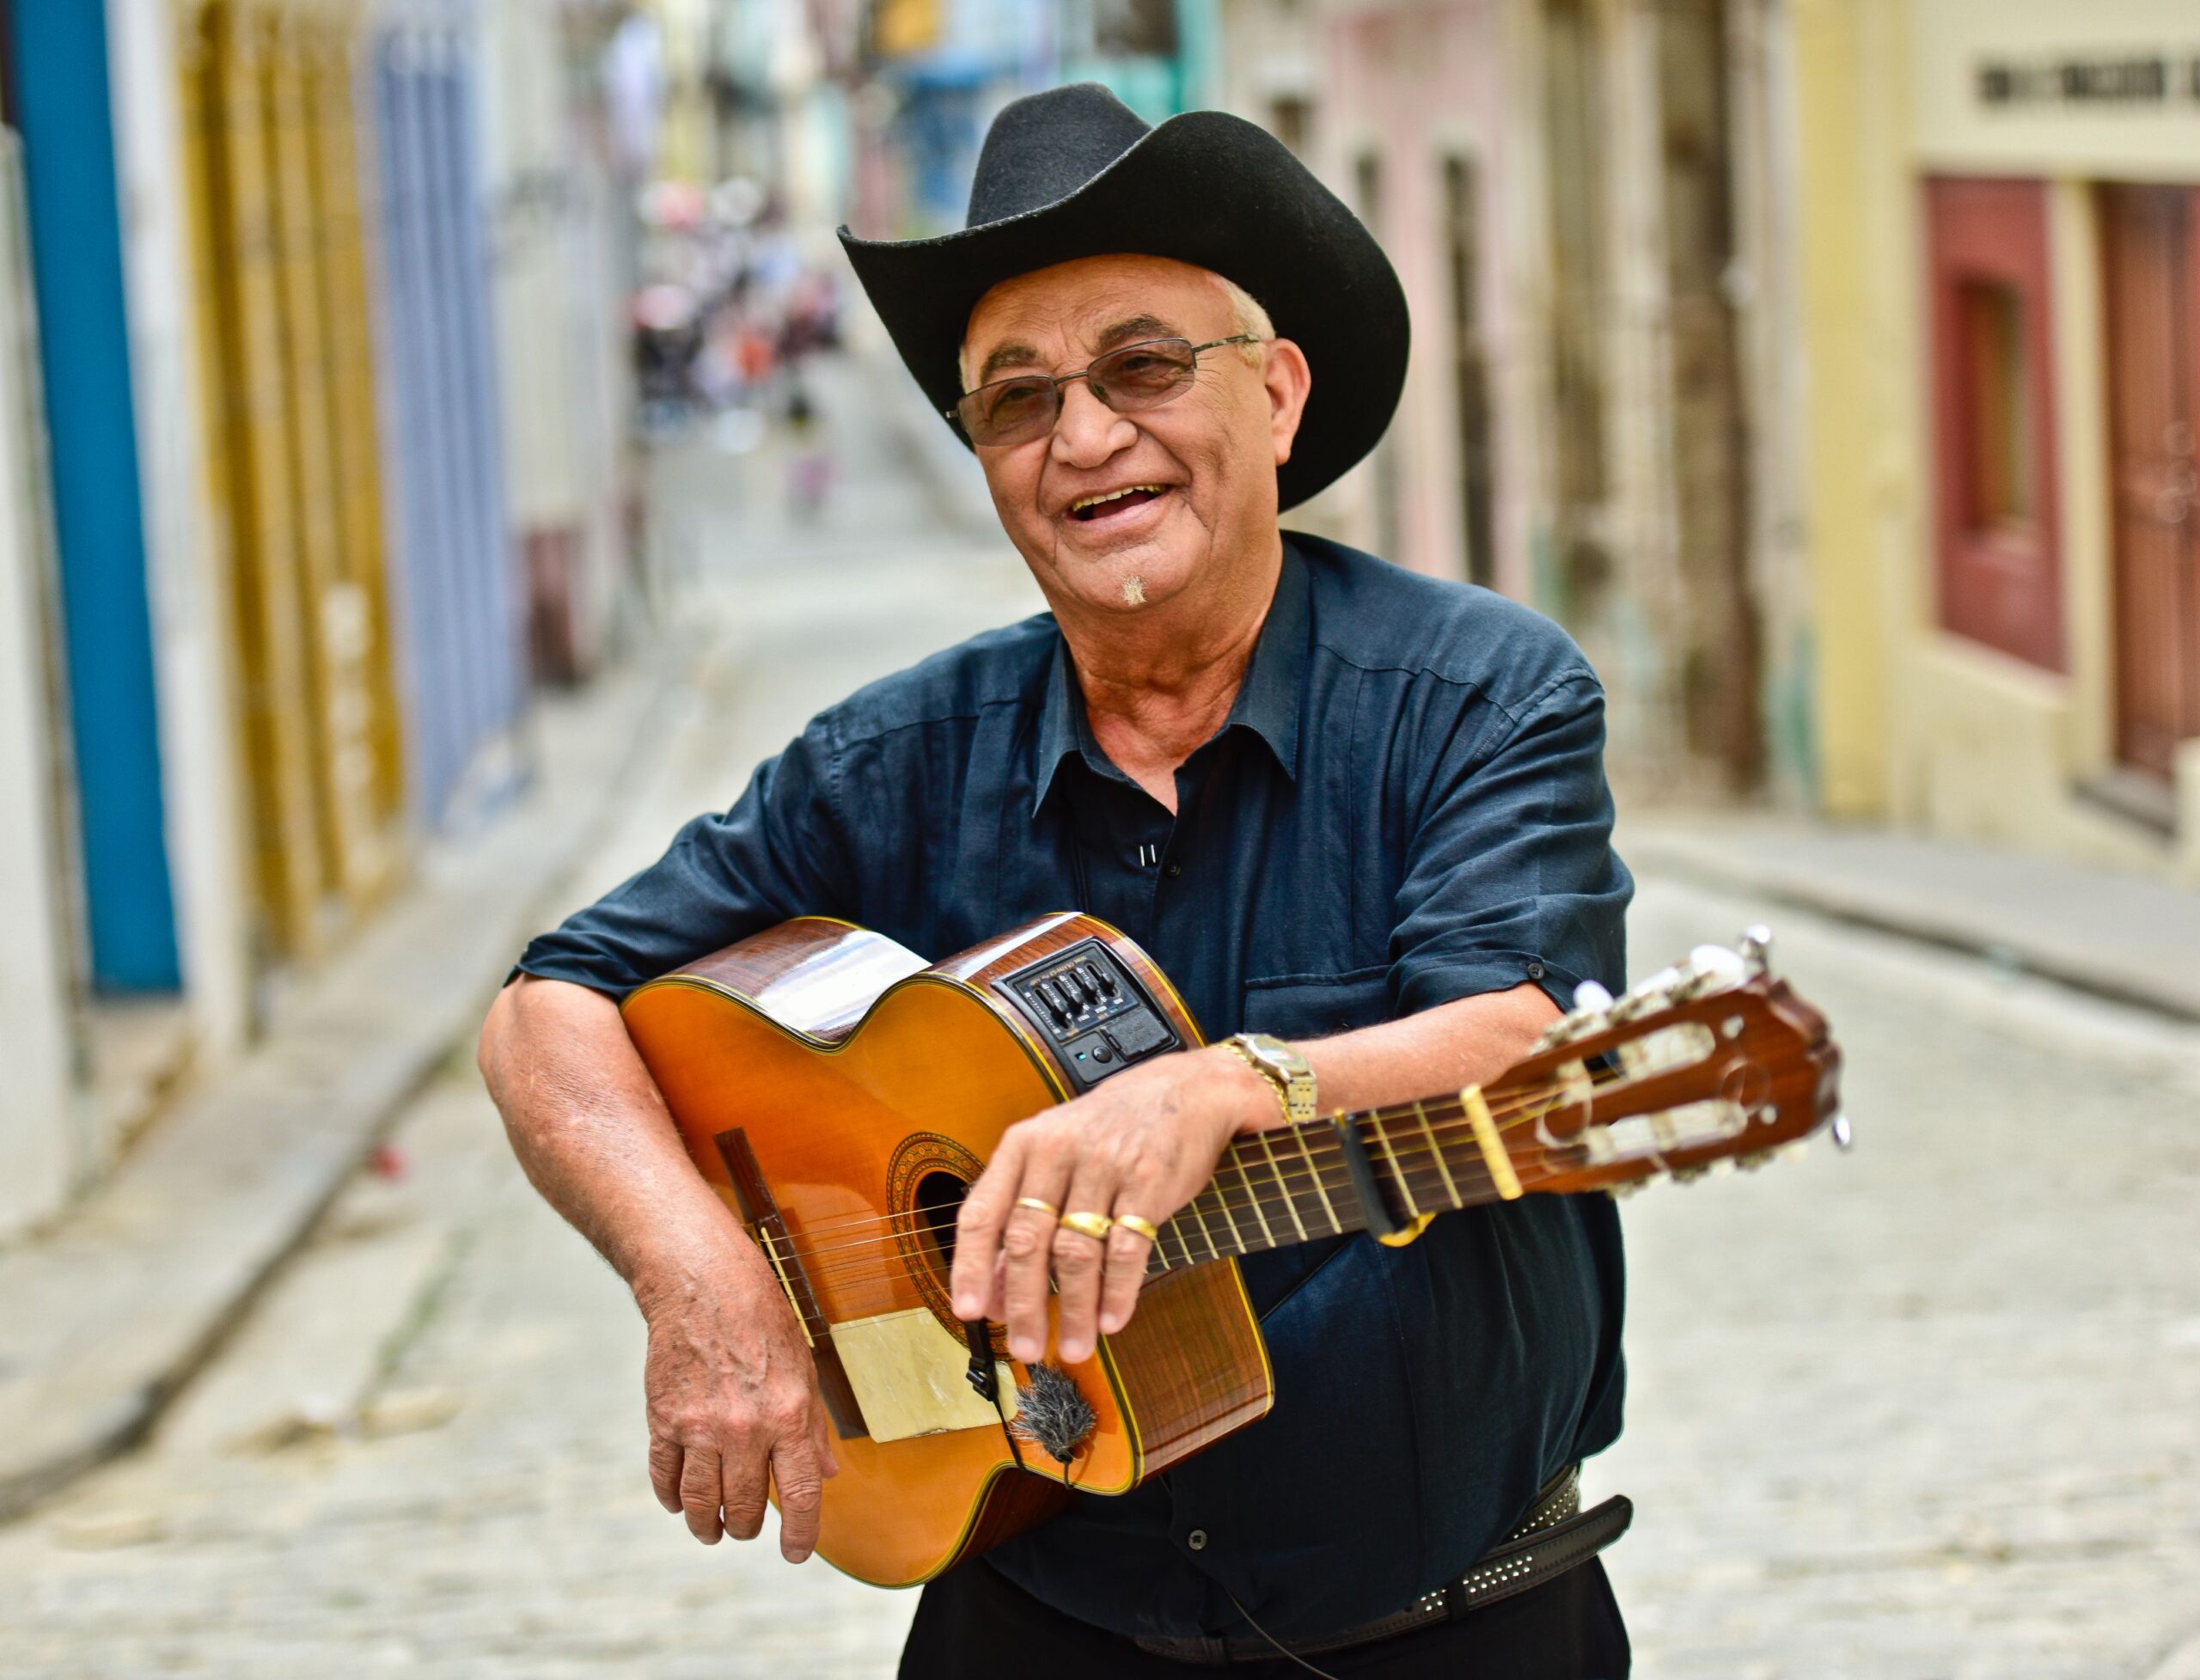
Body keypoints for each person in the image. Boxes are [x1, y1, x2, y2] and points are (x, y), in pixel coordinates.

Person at [479, 83, 1633, 1678]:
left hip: (1457, 1630)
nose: (1084, 437)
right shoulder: (888, 761)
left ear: (1280, 396)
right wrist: (699, 1272)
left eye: (1144, 367)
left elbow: (1537, 1033)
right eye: (1016, 401)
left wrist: (1227, 1091)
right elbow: (553, 1005)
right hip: (1032, 1616)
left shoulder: (1476, 696)